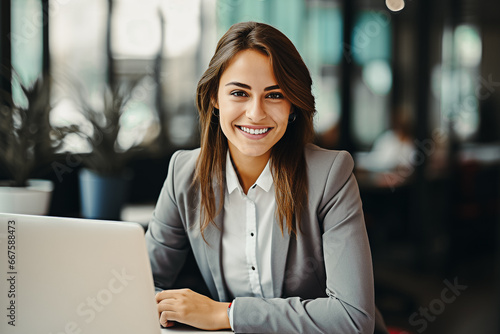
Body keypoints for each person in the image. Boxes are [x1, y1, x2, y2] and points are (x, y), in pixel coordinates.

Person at [146, 21, 378, 333]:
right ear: (214, 97)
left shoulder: (330, 175)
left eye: (274, 95)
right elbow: (146, 283)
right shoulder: (184, 174)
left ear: (293, 103)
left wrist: (227, 314)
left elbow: (352, 317)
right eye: (239, 93)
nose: (256, 113)